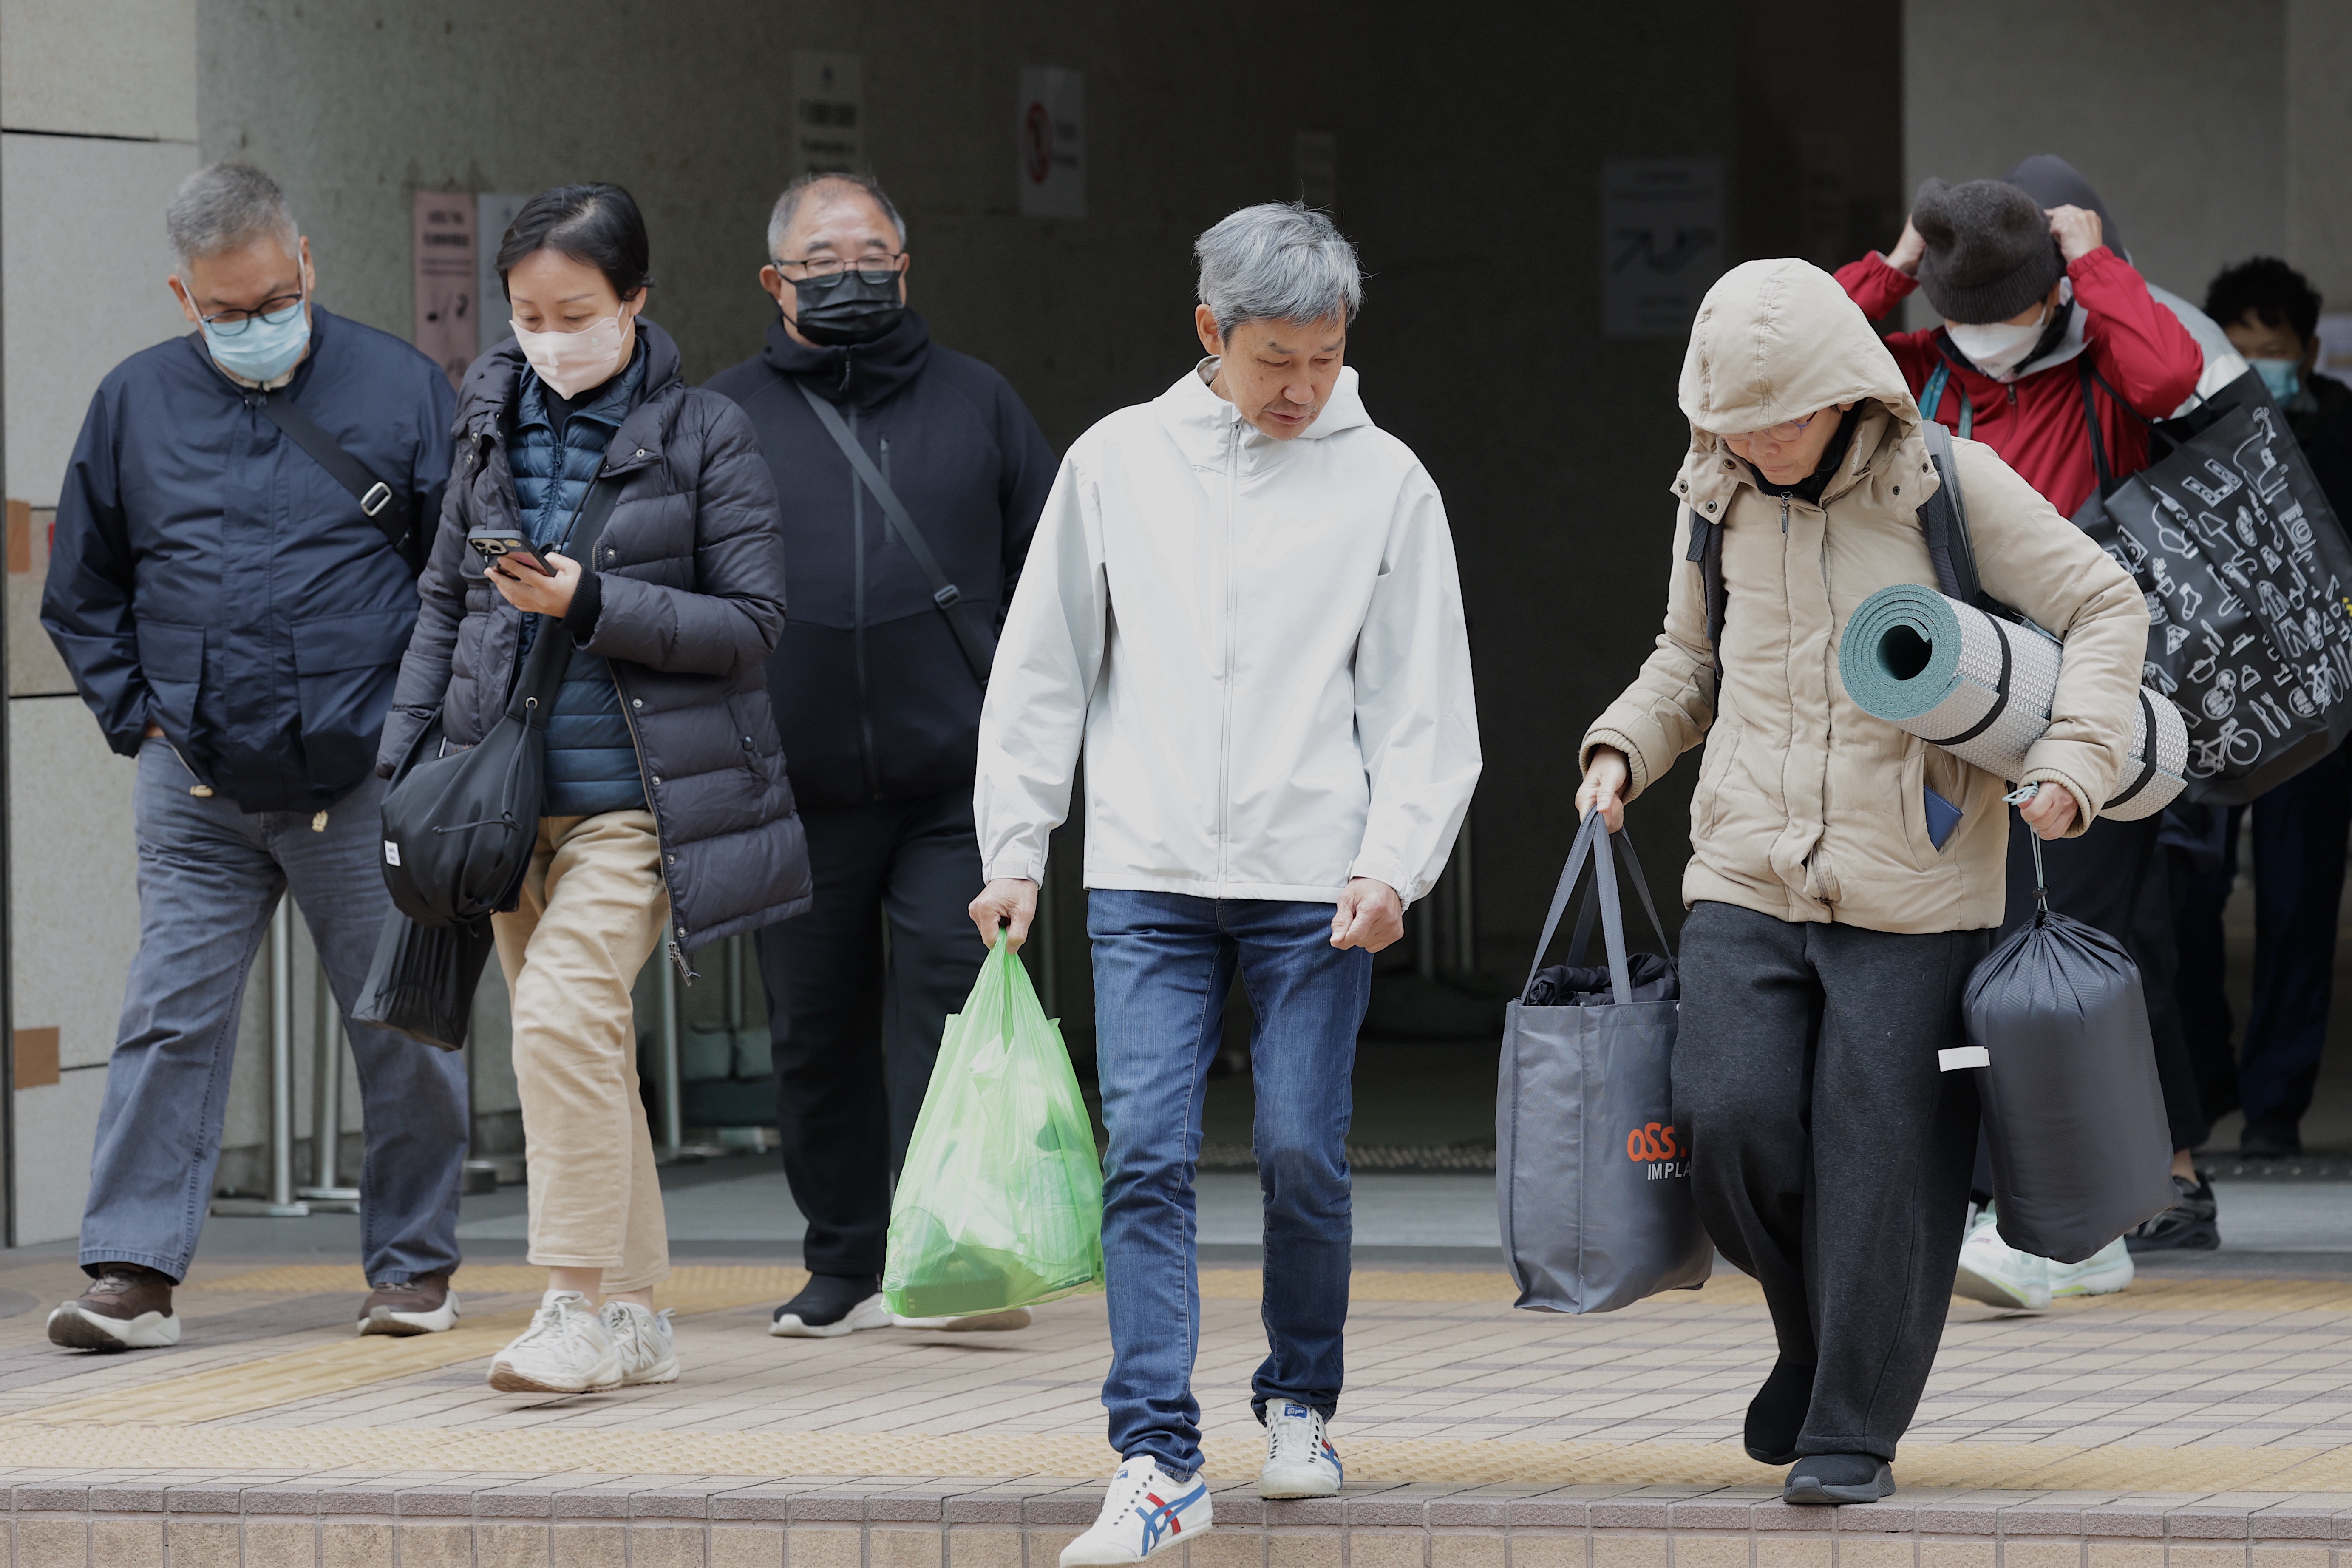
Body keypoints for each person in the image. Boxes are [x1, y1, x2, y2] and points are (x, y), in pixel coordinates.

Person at [1579, 258, 2148, 1505]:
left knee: (1879, 1157)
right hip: (1742, 860)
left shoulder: (1946, 482)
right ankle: (1809, 1339)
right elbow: (1685, 659)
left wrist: (2072, 761)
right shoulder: (1711, 491)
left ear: (1846, 392)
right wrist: (1621, 745)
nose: (1761, 441)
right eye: (1736, 420)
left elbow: (2105, 605)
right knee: (1725, 1121)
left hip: (1919, 873)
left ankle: (1851, 1423)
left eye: (1783, 415)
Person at [971, 203, 1479, 1558]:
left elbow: (1425, 705)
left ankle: (1299, 1398)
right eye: (1273, 359)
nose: (1303, 388)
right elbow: (1042, 669)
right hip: (1143, 872)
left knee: (1302, 1149)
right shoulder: (1114, 463)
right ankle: (1154, 1456)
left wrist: (1394, 862)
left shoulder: (1388, 482)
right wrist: (1014, 848)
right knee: (1143, 1151)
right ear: (1207, 332)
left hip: (1317, 876)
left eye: (1324, 356)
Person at [380, 183, 811, 1395]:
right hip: (501, 800)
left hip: (643, 796)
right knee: (587, 1049)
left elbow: (754, 623)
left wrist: (591, 601)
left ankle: (568, 1298)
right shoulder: (486, 423)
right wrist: (404, 756)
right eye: (526, 312)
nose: (550, 334)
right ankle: (636, 1314)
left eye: (577, 310)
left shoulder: (707, 434)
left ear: (634, 303)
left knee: (564, 1015)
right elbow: (443, 604)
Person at [41, 162, 470, 1350]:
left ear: (308, 264)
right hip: (197, 784)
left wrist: (423, 728)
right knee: (166, 1015)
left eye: (272, 298)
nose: (252, 326)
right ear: (182, 294)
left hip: (365, 770)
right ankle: (131, 1271)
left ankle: (412, 1270)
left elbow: (464, 578)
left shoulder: (402, 385)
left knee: (402, 1024)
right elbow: (82, 590)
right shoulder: (132, 403)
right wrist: (143, 717)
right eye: (223, 311)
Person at [1836, 159, 2211, 1296]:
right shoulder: (1908, 375)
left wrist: (2096, 263)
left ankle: (2058, 1219)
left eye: (2004, 311)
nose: (1983, 335)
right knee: (1975, 954)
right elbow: (1790, 356)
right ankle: (2068, 1209)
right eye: (1962, 312)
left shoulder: (2099, 367)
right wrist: (1896, 263)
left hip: (2082, 698)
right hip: (1943, 711)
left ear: (2049, 295)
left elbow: (2170, 371)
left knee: (2052, 952)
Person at [703, 172, 1054, 1338]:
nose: (847, 274)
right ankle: (842, 1257)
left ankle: (944, 1248)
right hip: (789, 787)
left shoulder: (979, 404)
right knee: (814, 1027)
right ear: (775, 281)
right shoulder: (723, 417)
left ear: (906, 269)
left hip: (951, 786)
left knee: (947, 1021)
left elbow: (1043, 587)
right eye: (821, 258)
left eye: (870, 255)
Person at [2166, 257, 2352, 1163]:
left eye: (2271, 350)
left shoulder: (2348, 433)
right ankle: (2203, 1082)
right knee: (2189, 897)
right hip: (2205, 705)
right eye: (2236, 350)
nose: (2255, 365)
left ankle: (2275, 1103)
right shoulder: (2178, 434)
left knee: (2294, 906)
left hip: (2315, 712)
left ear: (2310, 351)